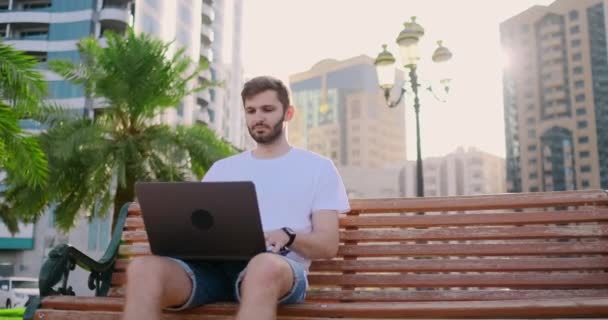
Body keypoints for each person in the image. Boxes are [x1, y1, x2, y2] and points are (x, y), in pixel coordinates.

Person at [122, 76, 350, 320]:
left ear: (289, 113)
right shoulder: (222, 169)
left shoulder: (318, 168)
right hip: (212, 273)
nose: (258, 117)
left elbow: (327, 244)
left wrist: (288, 235)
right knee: (143, 269)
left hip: (278, 270)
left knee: (263, 265)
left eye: (268, 109)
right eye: (251, 111)